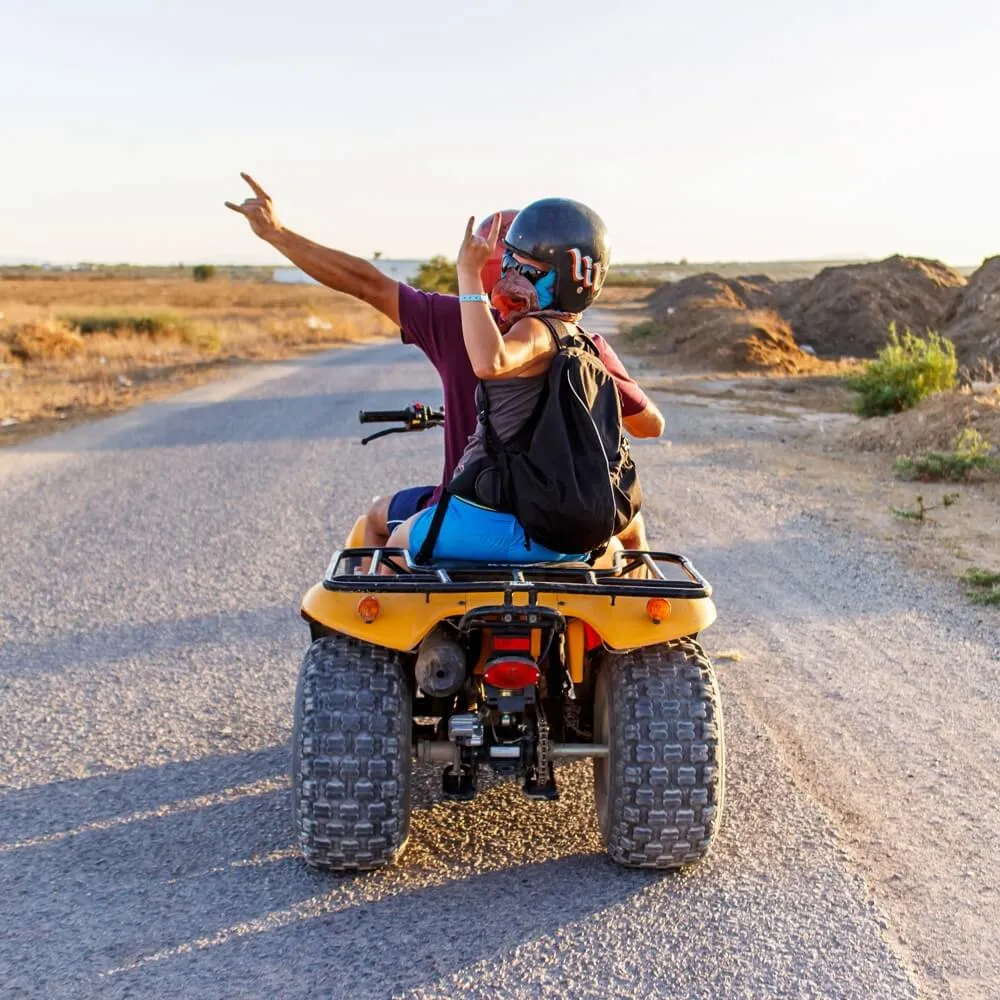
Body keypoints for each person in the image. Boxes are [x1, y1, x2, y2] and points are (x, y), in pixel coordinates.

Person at [224, 174, 663, 551]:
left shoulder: (454, 321)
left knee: (377, 521)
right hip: (566, 517)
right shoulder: (586, 345)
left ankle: (386, 624)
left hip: (475, 510)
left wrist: (276, 233)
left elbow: (365, 283)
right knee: (630, 530)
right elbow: (649, 426)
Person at [385, 198, 640, 565]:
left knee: (395, 543)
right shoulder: (583, 343)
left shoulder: (536, 329)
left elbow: (490, 362)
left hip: (494, 519)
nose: (511, 278)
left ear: (571, 278)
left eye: (529, 271)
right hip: (564, 532)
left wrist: (468, 274)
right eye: (510, 264)